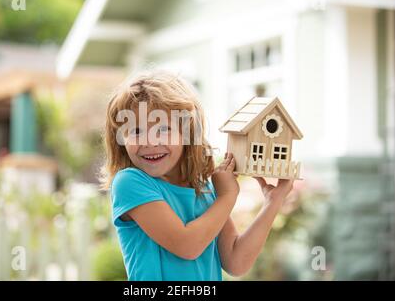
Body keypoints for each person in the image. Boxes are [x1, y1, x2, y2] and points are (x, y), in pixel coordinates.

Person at [101, 70, 294, 280]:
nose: (150, 141)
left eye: (163, 129)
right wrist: (227, 196)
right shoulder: (130, 182)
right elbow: (187, 245)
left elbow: (236, 262)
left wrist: (273, 202)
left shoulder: (204, 189)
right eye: (136, 131)